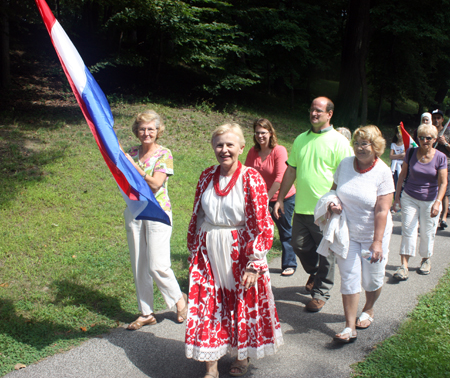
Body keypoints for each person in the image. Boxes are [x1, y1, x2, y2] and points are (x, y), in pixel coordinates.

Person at [186, 123, 283, 378]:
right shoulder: (206, 176)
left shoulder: (251, 177)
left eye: (230, 145)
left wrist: (255, 262)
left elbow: (262, 222)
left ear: (241, 147)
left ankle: (242, 354)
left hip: (239, 251)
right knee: (208, 304)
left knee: (241, 303)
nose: (224, 150)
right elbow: (198, 215)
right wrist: (194, 249)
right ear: (213, 147)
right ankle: (211, 366)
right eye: (219, 144)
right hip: (207, 251)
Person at [273, 97, 352, 312]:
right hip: (302, 208)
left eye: (319, 110)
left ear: (329, 114)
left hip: (327, 211)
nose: (314, 114)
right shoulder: (300, 139)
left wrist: (337, 202)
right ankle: (315, 272)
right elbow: (291, 170)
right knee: (298, 245)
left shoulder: (340, 142)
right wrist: (280, 198)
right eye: (312, 110)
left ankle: (321, 293)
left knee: (327, 253)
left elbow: (346, 175)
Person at [327, 126, 394, 343]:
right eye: (357, 143)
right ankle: (349, 327)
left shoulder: (383, 172)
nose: (360, 147)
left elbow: (382, 210)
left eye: (365, 143)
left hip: (373, 235)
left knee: (372, 279)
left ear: (376, 147)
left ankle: (369, 308)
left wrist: (377, 242)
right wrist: (332, 203)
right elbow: (334, 189)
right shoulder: (346, 163)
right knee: (349, 277)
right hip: (347, 233)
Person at [123, 110, 187, 330]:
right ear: (136, 131)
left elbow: (156, 184)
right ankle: (146, 312)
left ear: (158, 131)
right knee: (139, 263)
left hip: (158, 212)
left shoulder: (164, 154)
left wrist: (134, 168)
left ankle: (178, 299)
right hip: (134, 211)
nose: (146, 133)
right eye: (142, 128)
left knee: (158, 264)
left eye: (151, 129)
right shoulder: (131, 152)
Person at [392, 123, 448, 280]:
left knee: (427, 232)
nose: (424, 140)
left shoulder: (440, 157)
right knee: (408, 229)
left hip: (430, 200)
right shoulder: (410, 152)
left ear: (434, 139)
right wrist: (397, 197)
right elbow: (402, 176)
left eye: (428, 138)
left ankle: (425, 260)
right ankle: (403, 265)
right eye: (421, 137)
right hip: (409, 196)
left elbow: (443, 183)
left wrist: (438, 202)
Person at [245, 118, 297, 277]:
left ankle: (289, 264)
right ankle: (257, 263)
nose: (260, 136)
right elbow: (246, 174)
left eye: (263, 133)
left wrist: (266, 199)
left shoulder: (279, 150)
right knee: (258, 231)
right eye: (258, 133)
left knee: (285, 231)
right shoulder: (253, 152)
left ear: (270, 133)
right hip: (261, 198)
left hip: (282, 197)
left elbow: (280, 178)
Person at [432, 109, 450, 230]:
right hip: (432, 164)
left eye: (439, 117)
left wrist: (445, 143)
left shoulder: (448, 131)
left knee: (445, 191)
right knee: (434, 189)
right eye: (435, 117)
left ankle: (443, 218)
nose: (437, 120)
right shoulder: (430, 131)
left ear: (442, 119)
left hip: (446, 164)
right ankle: (434, 215)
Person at [390, 125, 405, 190]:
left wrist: (396, 156)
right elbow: (391, 156)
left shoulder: (405, 144)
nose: (399, 134)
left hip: (403, 165)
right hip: (395, 166)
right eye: (397, 133)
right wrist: (400, 155)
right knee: (395, 181)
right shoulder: (393, 144)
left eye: (400, 132)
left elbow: (406, 156)